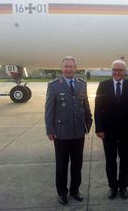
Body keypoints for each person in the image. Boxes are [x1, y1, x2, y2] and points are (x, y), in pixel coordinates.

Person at [45, 56, 93, 205]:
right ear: (62, 68)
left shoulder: (81, 84)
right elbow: (49, 110)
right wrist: (49, 129)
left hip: (78, 132)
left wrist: (88, 122)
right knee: (61, 165)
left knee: (77, 164)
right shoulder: (54, 85)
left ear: (75, 68)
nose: (68, 69)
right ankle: (62, 193)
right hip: (61, 133)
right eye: (66, 66)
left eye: (71, 67)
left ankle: (74, 190)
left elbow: (85, 106)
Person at [94, 60, 128, 200]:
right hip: (108, 131)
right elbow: (97, 110)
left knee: (125, 159)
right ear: (111, 70)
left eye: (120, 70)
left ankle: (123, 186)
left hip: (127, 131)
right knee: (110, 160)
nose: (117, 72)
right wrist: (99, 129)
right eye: (115, 69)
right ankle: (113, 186)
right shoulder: (103, 85)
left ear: (125, 71)